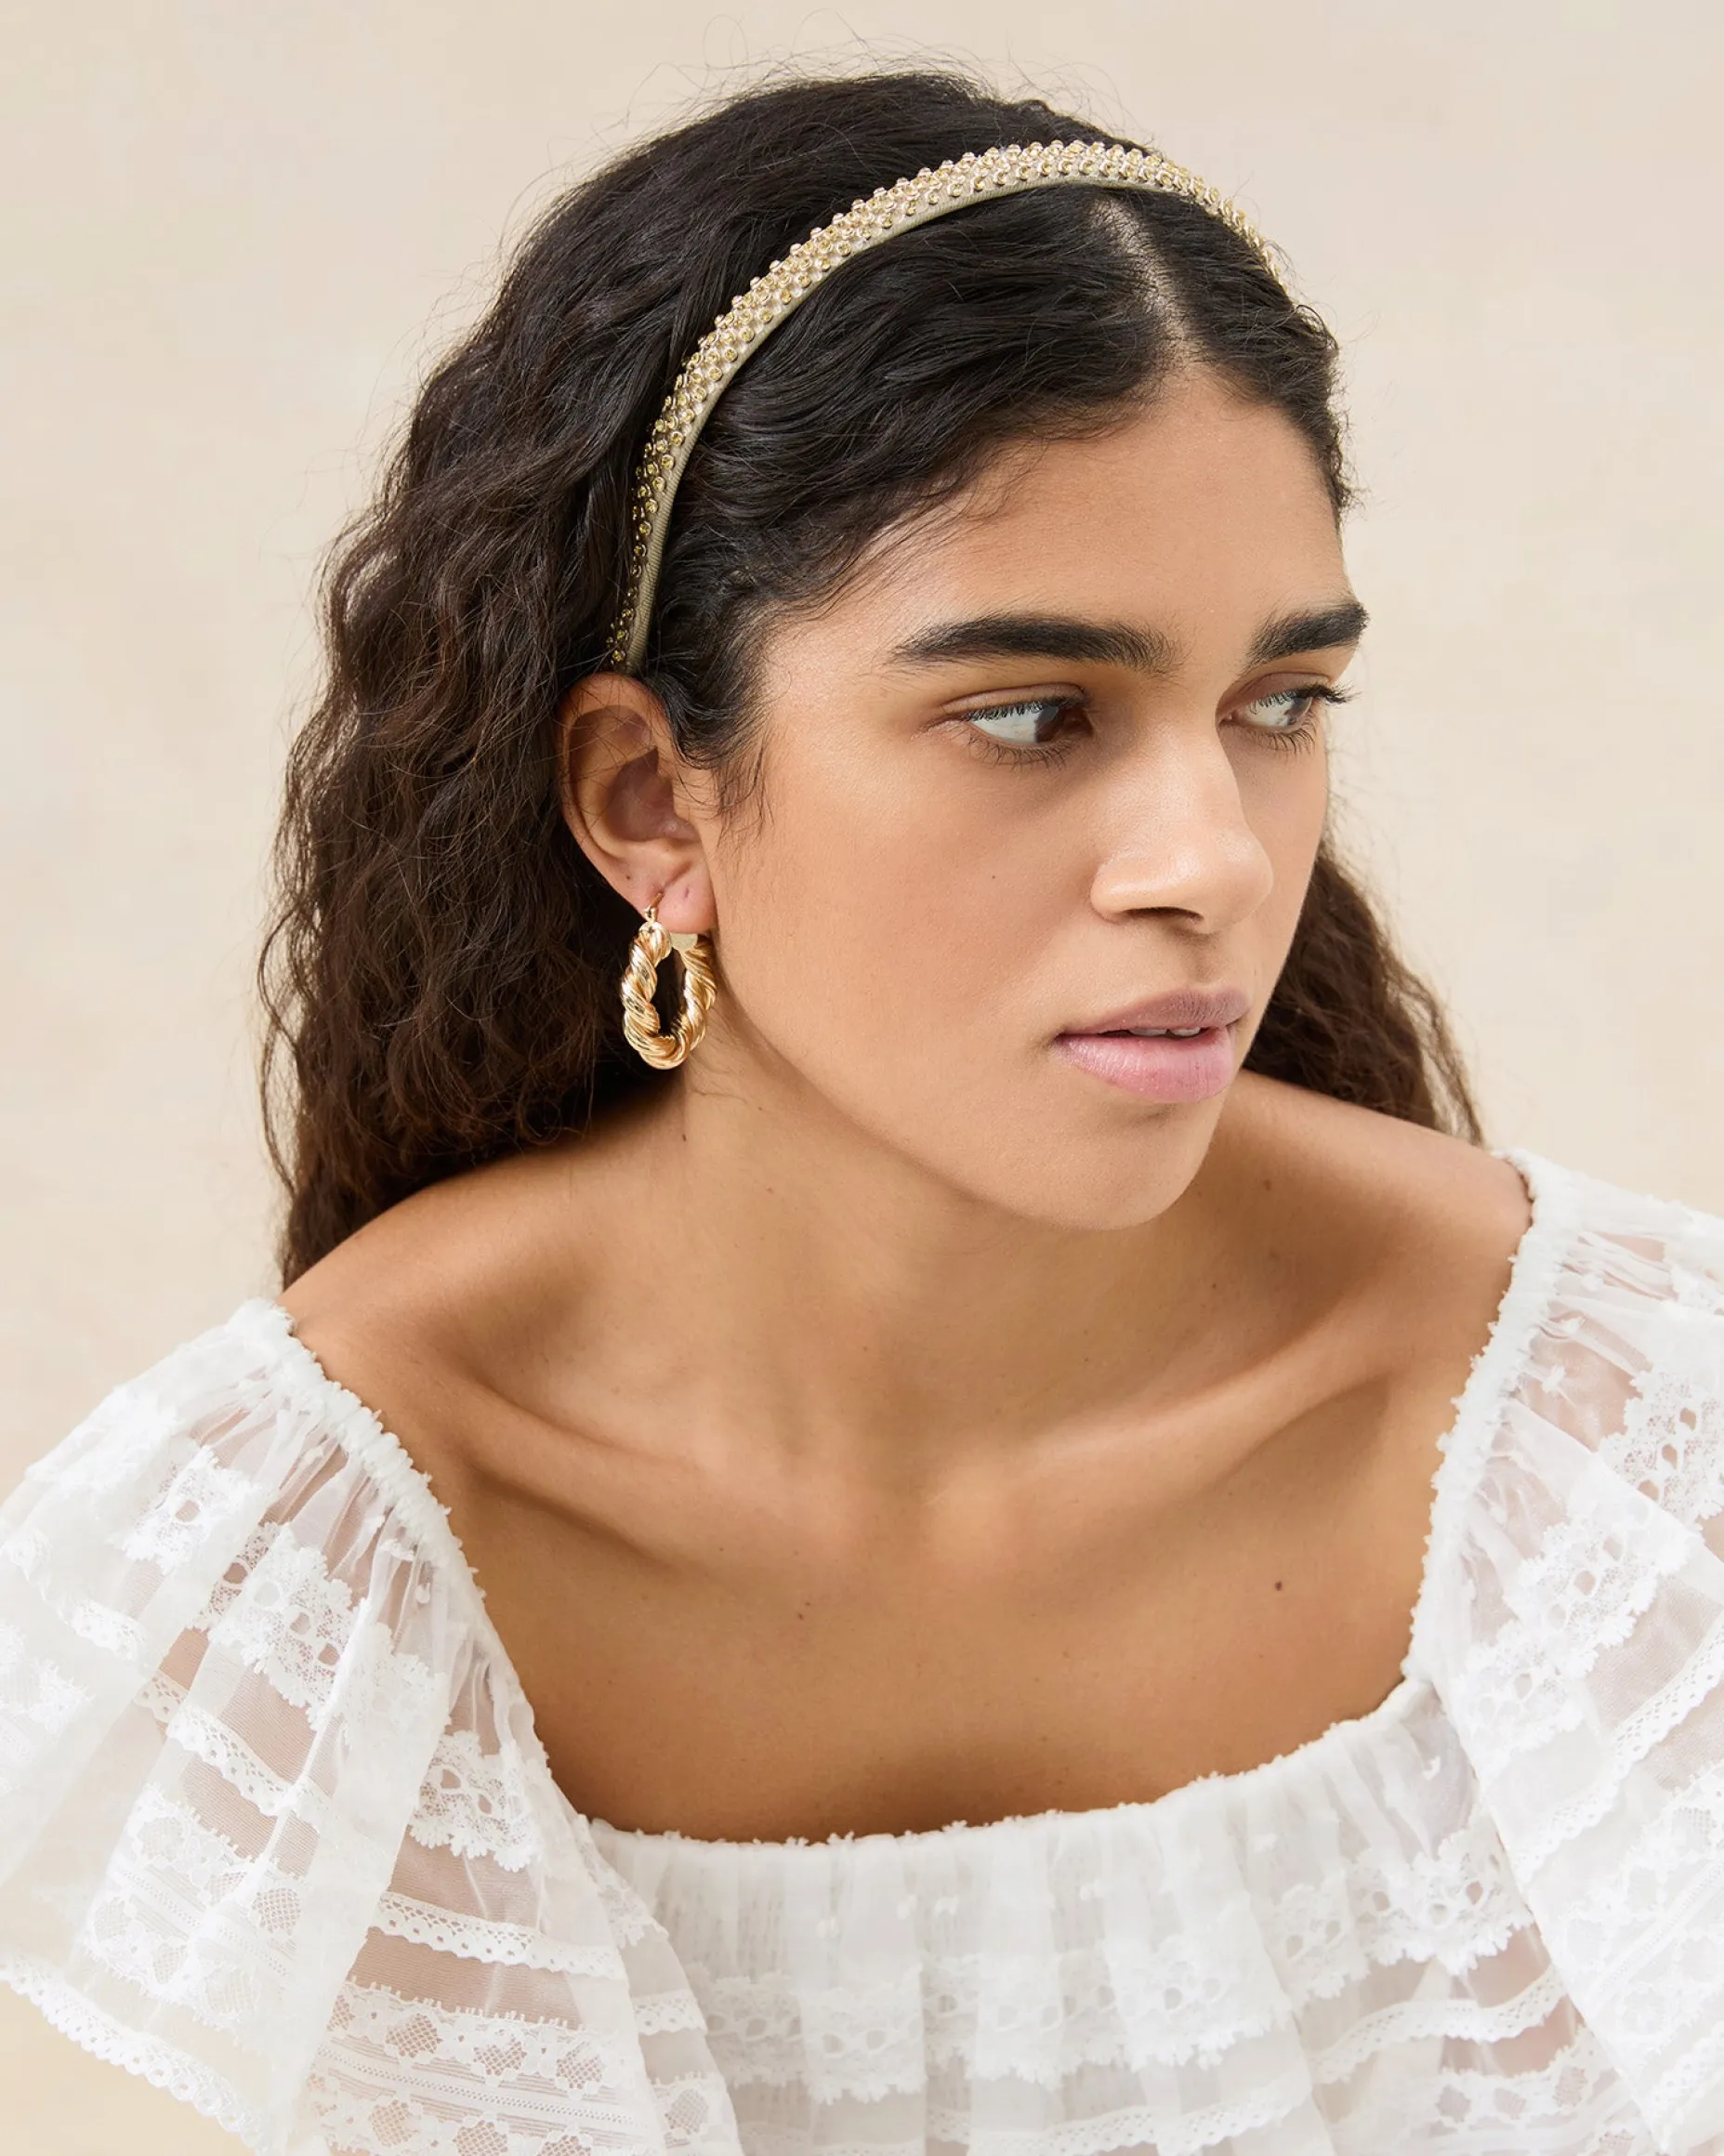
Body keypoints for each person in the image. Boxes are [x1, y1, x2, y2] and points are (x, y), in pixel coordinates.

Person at [3, 64, 1722, 2156]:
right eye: (1032, 714)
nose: (1214, 856)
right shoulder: (317, 1558)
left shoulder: (1618, 1453)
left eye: (1278, 704)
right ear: (652, 798)